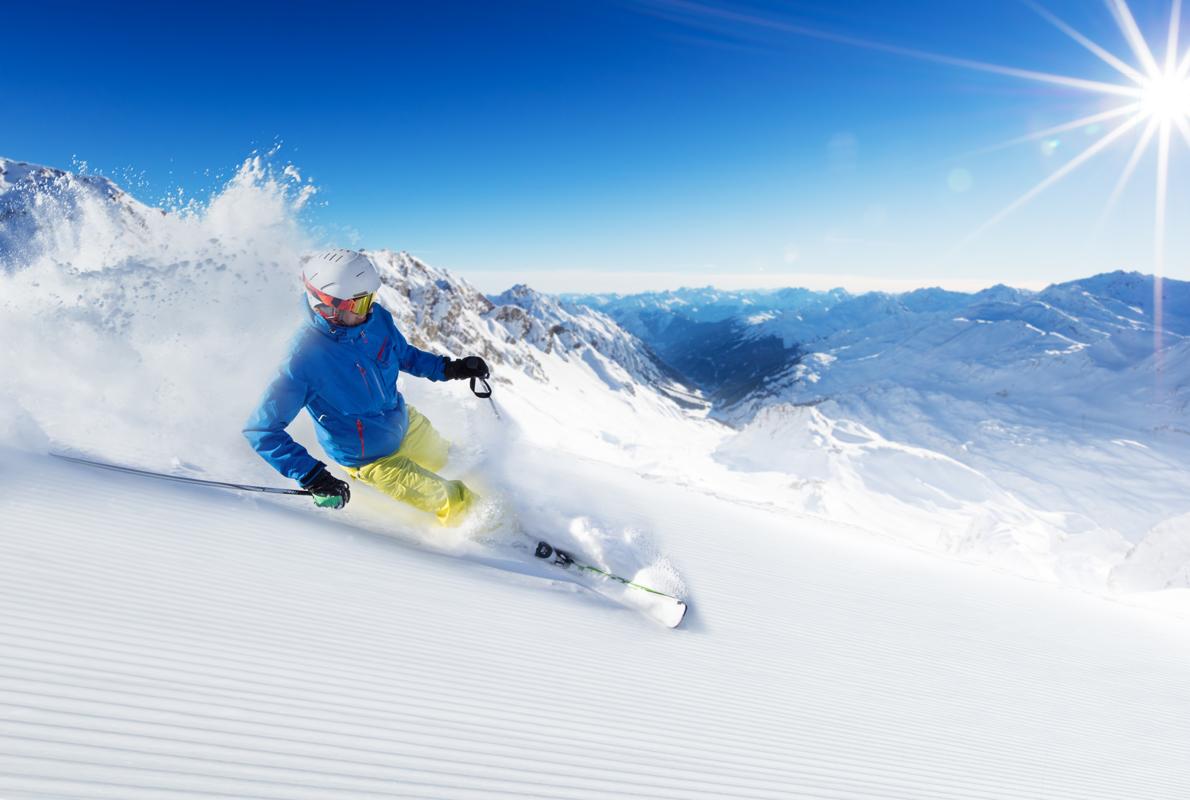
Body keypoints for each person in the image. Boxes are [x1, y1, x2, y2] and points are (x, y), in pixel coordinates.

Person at [244, 248, 490, 525]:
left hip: (405, 424)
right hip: (373, 460)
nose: (370, 309)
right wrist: (312, 476)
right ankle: (512, 541)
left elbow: (403, 354)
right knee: (451, 499)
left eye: (371, 298)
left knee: (457, 461)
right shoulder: (303, 359)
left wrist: (450, 368)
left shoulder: (375, 321)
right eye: (361, 303)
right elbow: (261, 431)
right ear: (327, 306)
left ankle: (502, 508)